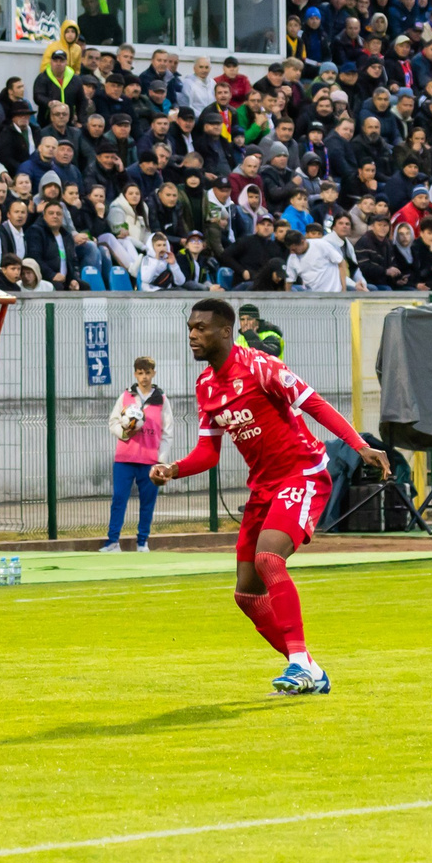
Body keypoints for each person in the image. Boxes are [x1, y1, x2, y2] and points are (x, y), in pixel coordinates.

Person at [148, 296, 388, 695]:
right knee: (246, 593)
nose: (192, 335)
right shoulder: (206, 385)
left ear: (226, 332)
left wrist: (358, 443)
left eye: (201, 328)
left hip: (303, 473)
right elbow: (208, 453)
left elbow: (314, 403)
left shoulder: (260, 366)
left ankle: (297, 663)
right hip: (264, 487)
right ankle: (309, 667)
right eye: (190, 328)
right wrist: (173, 469)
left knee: (268, 557)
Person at [102, 355, 168, 552]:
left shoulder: (161, 400)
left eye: (147, 373)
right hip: (125, 459)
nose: (144, 377)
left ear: (153, 374)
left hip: (149, 461)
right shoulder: (126, 397)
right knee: (119, 499)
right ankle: (113, 542)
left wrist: (161, 461)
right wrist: (124, 433)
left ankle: (142, 542)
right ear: (135, 374)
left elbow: (168, 432)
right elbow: (113, 422)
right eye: (140, 373)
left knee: (147, 503)